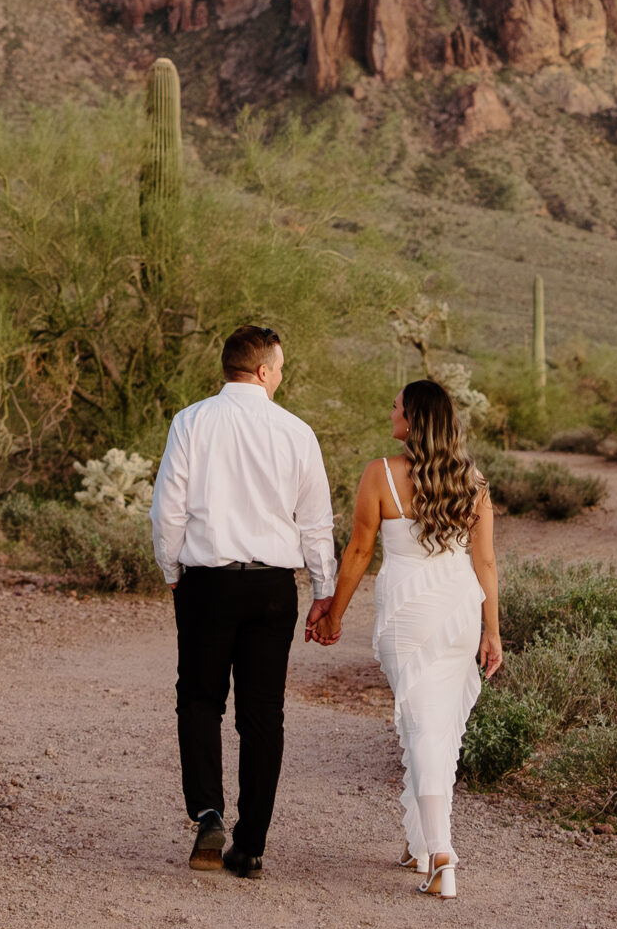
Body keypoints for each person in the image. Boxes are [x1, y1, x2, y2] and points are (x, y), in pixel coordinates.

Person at [150, 325, 336, 880]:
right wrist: (323, 592)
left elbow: (168, 511)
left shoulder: (191, 421)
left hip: (207, 582)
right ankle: (250, 843)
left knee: (200, 699)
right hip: (272, 588)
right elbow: (316, 522)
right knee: (263, 716)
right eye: (279, 366)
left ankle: (208, 814)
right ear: (261, 371)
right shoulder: (297, 432)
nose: (282, 374)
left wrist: (173, 570)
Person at [311, 379, 501, 899]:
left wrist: (332, 614)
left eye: (395, 406)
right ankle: (422, 842)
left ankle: (441, 855)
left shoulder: (381, 474)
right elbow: (484, 562)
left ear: (414, 419)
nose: (389, 410)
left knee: (422, 725)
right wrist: (492, 630)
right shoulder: (473, 481)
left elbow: (357, 553)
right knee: (434, 726)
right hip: (460, 609)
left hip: (407, 612)